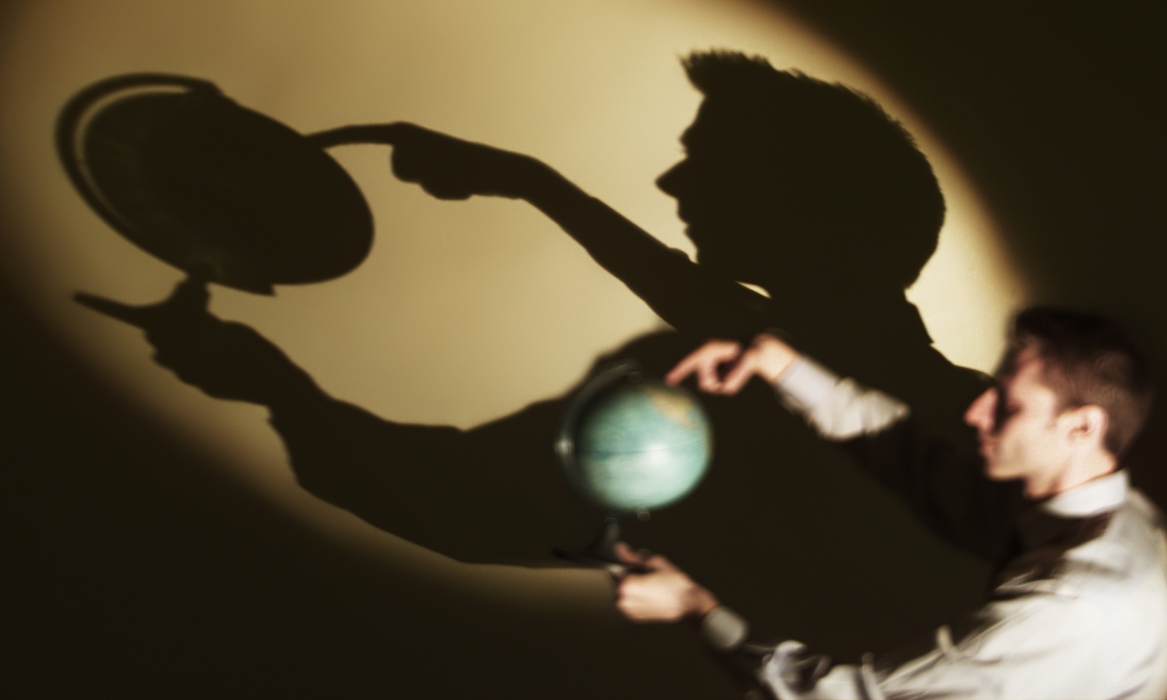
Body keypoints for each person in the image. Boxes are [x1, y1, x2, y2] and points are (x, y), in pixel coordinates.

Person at [141, 50, 990, 659]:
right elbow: (781, 324)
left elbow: (463, 499)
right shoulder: (980, 418)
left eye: (707, 158)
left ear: (795, 197)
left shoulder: (710, 398)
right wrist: (534, 184)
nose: (671, 186)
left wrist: (277, 391)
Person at [615, 307, 1167, 698]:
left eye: (1007, 404)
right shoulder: (1113, 514)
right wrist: (781, 366)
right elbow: (919, 467)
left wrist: (696, 608)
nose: (975, 413)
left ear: (1081, 427)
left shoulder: (1065, 609)